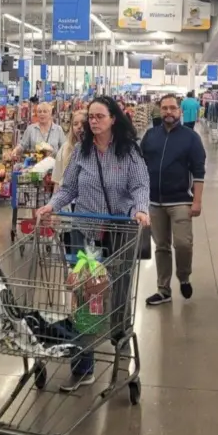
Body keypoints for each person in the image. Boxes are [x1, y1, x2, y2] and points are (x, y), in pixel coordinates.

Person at [38, 95, 150, 393]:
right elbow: (70, 187)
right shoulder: (81, 152)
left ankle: (121, 362)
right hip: (86, 235)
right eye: (91, 117)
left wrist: (141, 209)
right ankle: (83, 365)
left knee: (119, 299)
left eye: (100, 116)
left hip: (120, 234)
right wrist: (52, 206)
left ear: (114, 118)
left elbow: (140, 185)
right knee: (86, 297)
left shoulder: (129, 152)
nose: (93, 121)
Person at [141, 94, 206, 306]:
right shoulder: (150, 136)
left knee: (183, 244)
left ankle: (184, 276)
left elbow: (198, 172)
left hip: (180, 200)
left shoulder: (191, 138)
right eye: (165, 108)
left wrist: (197, 201)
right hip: (154, 202)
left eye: (172, 108)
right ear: (159, 110)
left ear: (180, 111)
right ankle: (163, 289)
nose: (168, 112)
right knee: (161, 246)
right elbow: (140, 167)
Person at [54, 110, 86, 188]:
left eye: (83, 123)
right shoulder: (65, 148)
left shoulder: (96, 149)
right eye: (75, 124)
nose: (79, 126)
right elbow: (57, 181)